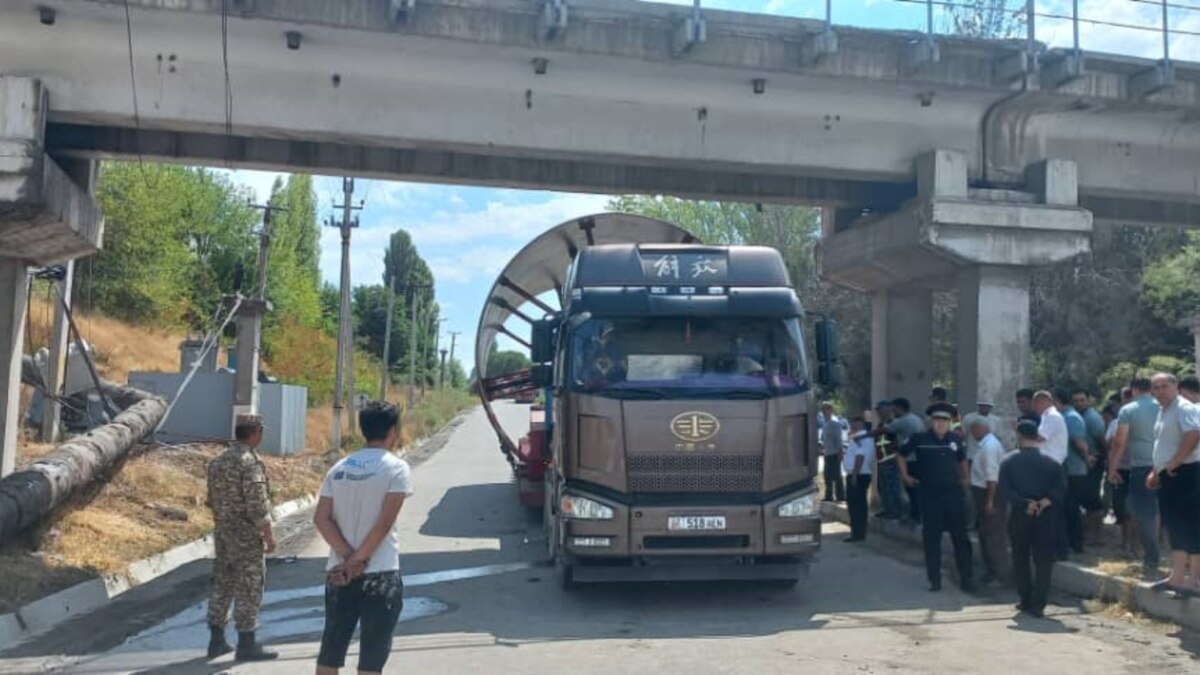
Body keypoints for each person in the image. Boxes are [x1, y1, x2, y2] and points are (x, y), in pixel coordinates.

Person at [315, 401, 413, 675]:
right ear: (392, 431)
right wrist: (359, 560)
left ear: (363, 430)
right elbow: (385, 522)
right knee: (372, 657)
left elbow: (321, 518)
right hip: (380, 572)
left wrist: (347, 559)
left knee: (331, 651)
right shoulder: (396, 468)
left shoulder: (339, 468)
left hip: (339, 573)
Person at [205, 413, 278, 662]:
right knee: (248, 586)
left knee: (223, 583)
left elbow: (211, 500)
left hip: (222, 531)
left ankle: (216, 640)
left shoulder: (217, 462)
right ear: (255, 431)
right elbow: (257, 505)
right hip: (245, 535)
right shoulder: (249, 462)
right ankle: (247, 643)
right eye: (261, 431)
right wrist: (268, 536)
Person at [898, 402, 974, 592]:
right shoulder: (920, 438)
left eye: (944, 420)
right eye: (937, 420)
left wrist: (965, 478)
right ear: (931, 422)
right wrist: (905, 476)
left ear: (950, 422)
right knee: (932, 539)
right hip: (929, 494)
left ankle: (966, 578)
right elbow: (900, 455)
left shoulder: (955, 440)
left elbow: (962, 459)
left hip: (953, 494)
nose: (940, 424)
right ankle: (935, 580)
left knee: (961, 538)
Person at [1000, 417, 1067, 619]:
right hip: (1045, 516)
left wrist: (1025, 503)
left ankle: (1025, 598)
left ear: (1019, 437)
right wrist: (1046, 501)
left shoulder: (1009, 462)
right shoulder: (1052, 463)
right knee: (1044, 560)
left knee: (1020, 558)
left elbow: (1005, 490)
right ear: (1037, 437)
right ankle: (1039, 604)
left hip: (1021, 514)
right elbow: (1062, 489)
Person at [1147, 373, 1200, 596]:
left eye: (1164, 386)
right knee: (1175, 526)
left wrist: (1175, 462)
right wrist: (1156, 471)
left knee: (1192, 526)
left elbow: (1194, 433)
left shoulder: (1184, 407)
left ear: (1176, 386)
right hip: (1168, 476)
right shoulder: (1163, 411)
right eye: (1156, 388)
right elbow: (1164, 443)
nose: (1160, 391)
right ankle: (1177, 577)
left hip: (1187, 472)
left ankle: (1195, 581)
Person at [1109, 376, 1162, 575]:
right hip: (1167, 465)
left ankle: (1151, 557)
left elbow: (1119, 442)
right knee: (1166, 512)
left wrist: (1112, 468)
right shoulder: (1164, 406)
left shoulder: (1129, 410)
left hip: (1142, 467)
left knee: (1145, 513)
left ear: (1133, 390)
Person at [969, 417, 1008, 584]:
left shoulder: (989, 446)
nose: (972, 433)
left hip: (990, 493)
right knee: (985, 534)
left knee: (993, 535)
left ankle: (999, 574)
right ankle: (991, 570)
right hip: (983, 492)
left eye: (974, 429)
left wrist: (990, 500)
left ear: (984, 428)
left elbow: (992, 477)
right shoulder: (984, 444)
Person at [1033, 390, 1070, 559]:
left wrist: (1022, 431)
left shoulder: (1053, 417)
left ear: (1042, 402)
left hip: (1052, 467)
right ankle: (1054, 549)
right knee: (1049, 511)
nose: (1034, 408)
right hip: (1047, 467)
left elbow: (1040, 438)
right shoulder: (1047, 417)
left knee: (1052, 510)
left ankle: (1058, 550)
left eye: (1035, 404)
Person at [1072, 388, 1108, 545]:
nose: (1079, 403)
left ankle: (1097, 536)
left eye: (1082, 400)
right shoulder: (1077, 416)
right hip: (1082, 461)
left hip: (1094, 460)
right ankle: (1088, 534)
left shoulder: (1092, 418)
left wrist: (1106, 459)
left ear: (1088, 401)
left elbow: (1102, 441)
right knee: (1085, 498)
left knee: (1093, 498)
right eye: (1076, 401)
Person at [883, 398, 926, 524]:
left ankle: (915, 516)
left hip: (909, 459)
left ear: (900, 408)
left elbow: (885, 430)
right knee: (916, 488)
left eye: (894, 409)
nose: (893, 411)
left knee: (911, 488)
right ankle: (918, 515)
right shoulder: (916, 419)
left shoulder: (902, 421)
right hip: (920, 458)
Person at [1061, 389, 1092, 555]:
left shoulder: (1071, 418)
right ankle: (1073, 542)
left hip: (1074, 470)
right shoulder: (1069, 417)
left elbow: (1080, 444)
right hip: (1072, 469)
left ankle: (1076, 543)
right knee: (1069, 508)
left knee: (1072, 508)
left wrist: (1086, 458)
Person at [1103, 404, 1135, 559]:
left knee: (1133, 510)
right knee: (1122, 508)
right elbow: (1110, 445)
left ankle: (1134, 545)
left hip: (1137, 467)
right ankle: (1126, 544)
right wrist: (1112, 468)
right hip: (1121, 468)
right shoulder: (1115, 423)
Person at [844, 417, 875, 542]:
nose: (853, 427)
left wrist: (855, 475)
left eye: (855, 425)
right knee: (856, 504)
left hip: (859, 474)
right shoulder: (859, 438)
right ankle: (857, 532)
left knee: (856, 505)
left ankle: (858, 533)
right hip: (858, 474)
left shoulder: (862, 438)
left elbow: (860, 456)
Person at [873, 400, 904, 519]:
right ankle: (886, 509)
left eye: (880, 410)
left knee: (893, 486)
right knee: (882, 486)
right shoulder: (880, 425)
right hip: (881, 460)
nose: (879, 413)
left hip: (891, 460)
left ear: (887, 410)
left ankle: (895, 511)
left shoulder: (893, 423)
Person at [820, 401, 846, 503]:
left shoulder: (834, 422)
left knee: (836, 475)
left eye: (826, 408)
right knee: (827, 475)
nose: (824, 411)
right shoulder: (825, 422)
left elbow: (838, 438)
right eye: (823, 409)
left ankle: (840, 496)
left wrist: (840, 451)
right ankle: (829, 495)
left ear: (831, 410)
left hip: (834, 453)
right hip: (827, 452)